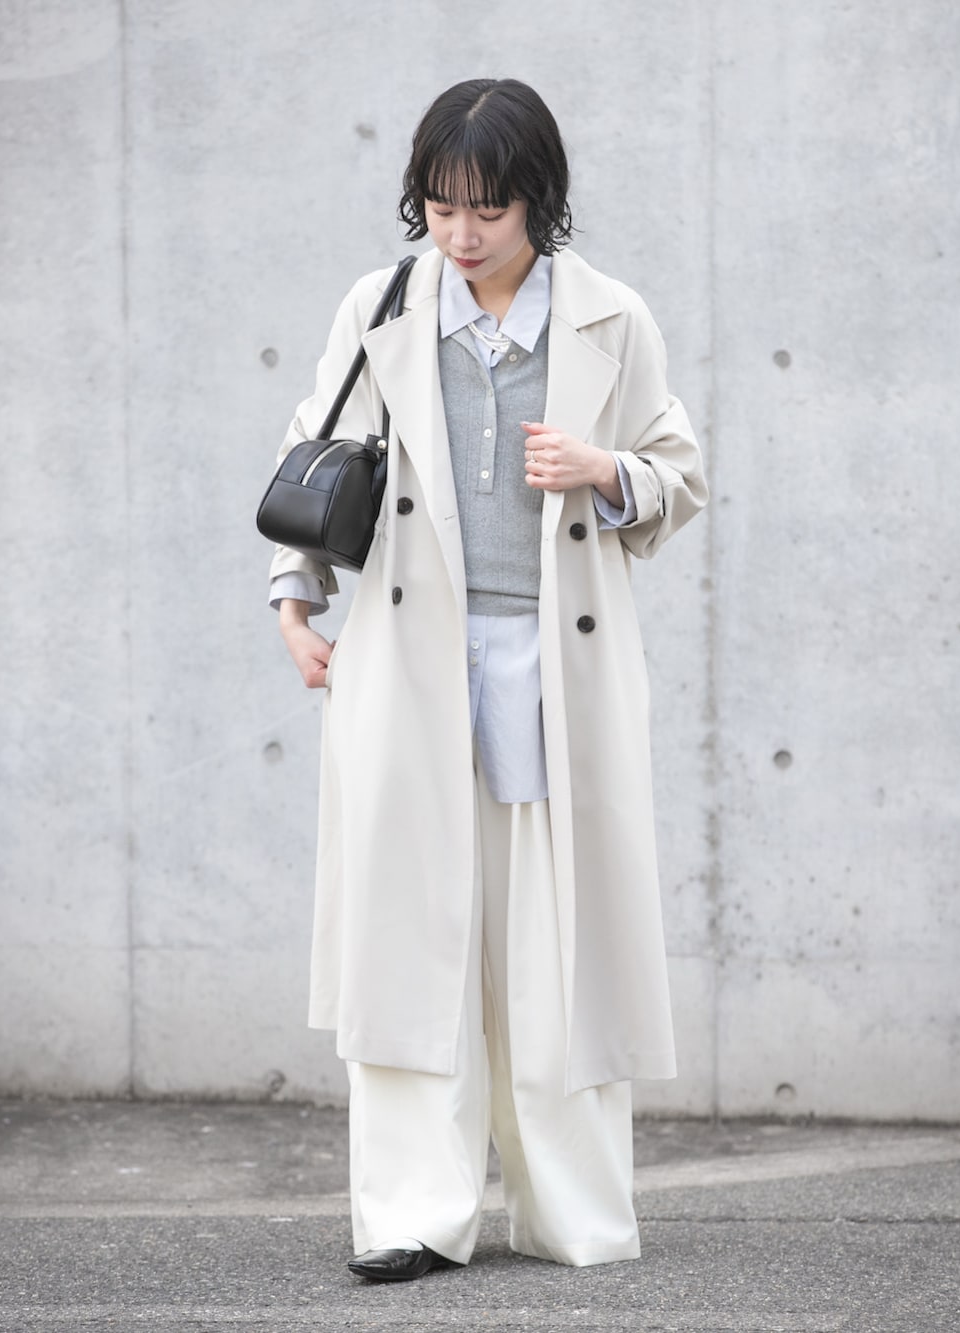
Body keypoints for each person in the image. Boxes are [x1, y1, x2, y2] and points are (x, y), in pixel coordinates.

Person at [268, 78, 708, 1282]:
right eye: (440, 204)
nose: (461, 233)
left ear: (538, 202)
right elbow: (312, 449)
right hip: (405, 661)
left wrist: (602, 468)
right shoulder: (382, 305)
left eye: (489, 209)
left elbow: (678, 473)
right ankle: (412, 1214)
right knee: (409, 947)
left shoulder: (610, 318)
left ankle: (571, 1211)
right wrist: (295, 604)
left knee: (556, 951)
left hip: (552, 667)